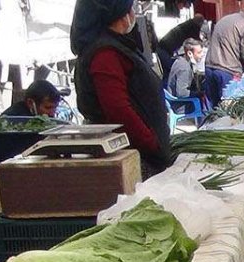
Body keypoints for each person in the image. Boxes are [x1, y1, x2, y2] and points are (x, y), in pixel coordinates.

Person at [71, 0, 171, 176]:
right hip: (135, 154)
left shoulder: (116, 45)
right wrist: (152, 143)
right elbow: (118, 110)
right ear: (119, 13)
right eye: (129, 7)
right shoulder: (104, 53)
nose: (133, 13)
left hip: (143, 150)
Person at [204, 6, 244, 107]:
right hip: (228, 69)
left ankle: (207, 123)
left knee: (211, 107)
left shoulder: (225, 19)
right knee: (229, 106)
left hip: (210, 66)